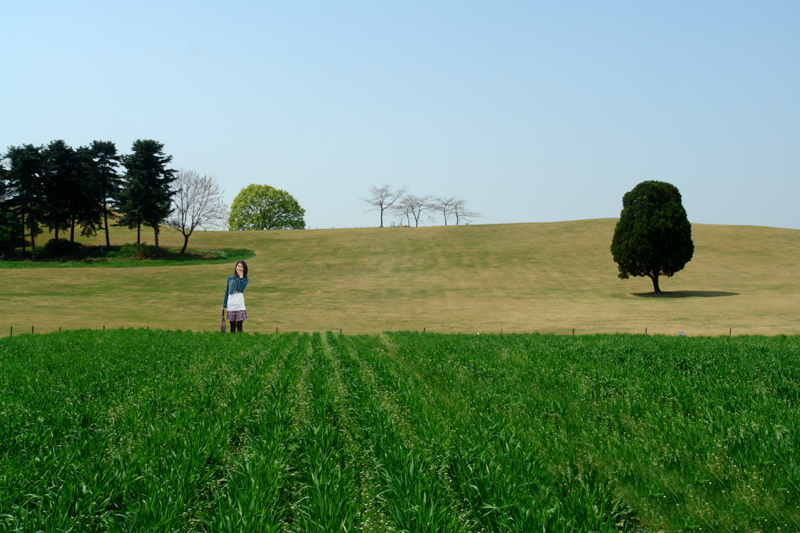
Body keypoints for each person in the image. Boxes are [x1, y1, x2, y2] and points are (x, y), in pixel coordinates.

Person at [222, 260, 249, 333]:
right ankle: (232, 342)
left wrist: (241, 277)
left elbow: (240, 288)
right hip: (231, 304)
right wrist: (224, 305)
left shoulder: (245, 279)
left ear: (244, 269)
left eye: (241, 266)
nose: (239, 268)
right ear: (236, 267)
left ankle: (240, 341)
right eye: (238, 266)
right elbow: (227, 291)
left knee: (239, 326)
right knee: (232, 327)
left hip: (239, 304)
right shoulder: (230, 278)